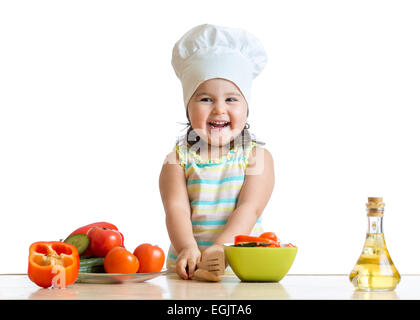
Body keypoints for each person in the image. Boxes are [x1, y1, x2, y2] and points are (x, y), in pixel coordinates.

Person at [159, 24, 274, 280]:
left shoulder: (257, 157)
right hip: (188, 268)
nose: (220, 109)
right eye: (205, 99)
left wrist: (221, 249)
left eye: (232, 99)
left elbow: (249, 208)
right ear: (188, 106)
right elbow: (176, 208)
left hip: (241, 269)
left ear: (246, 107)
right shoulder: (177, 159)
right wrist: (188, 247)